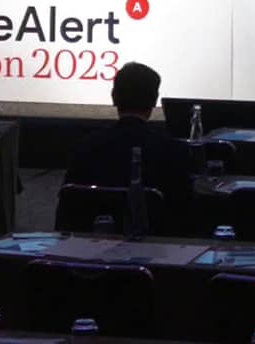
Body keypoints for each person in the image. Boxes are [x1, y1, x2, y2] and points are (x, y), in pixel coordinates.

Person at [61, 61, 194, 228]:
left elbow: (65, 217)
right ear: (154, 101)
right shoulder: (175, 152)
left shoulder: (84, 149)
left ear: (114, 97)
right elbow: (185, 219)